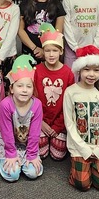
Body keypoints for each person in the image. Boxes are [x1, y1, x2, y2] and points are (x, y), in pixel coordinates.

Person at [63, 44, 99, 192]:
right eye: (87, 69)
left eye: (96, 70)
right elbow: (70, 123)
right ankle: (81, 169)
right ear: (79, 70)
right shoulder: (71, 92)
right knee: (83, 185)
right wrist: (84, 148)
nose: (91, 74)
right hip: (79, 147)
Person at [0, 55, 44, 182]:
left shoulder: (37, 105)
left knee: (33, 173)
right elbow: (6, 132)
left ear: (33, 89)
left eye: (29, 87)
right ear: (11, 88)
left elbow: (35, 133)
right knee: (12, 174)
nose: (24, 90)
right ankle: (1, 159)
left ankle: (25, 159)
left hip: (28, 144)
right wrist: (11, 154)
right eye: (20, 86)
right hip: (9, 144)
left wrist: (32, 155)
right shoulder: (5, 105)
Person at [33, 25, 73, 161]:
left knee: (58, 155)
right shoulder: (37, 71)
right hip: (41, 120)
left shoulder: (68, 73)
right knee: (42, 153)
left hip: (60, 121)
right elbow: (32, 100)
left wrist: (57, 126)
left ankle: (57, 133)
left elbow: (69, 103)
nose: (51, 54)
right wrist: (41, 123)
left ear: (61, 51)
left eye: (55, 50)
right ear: (43, 51)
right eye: (47, 51)